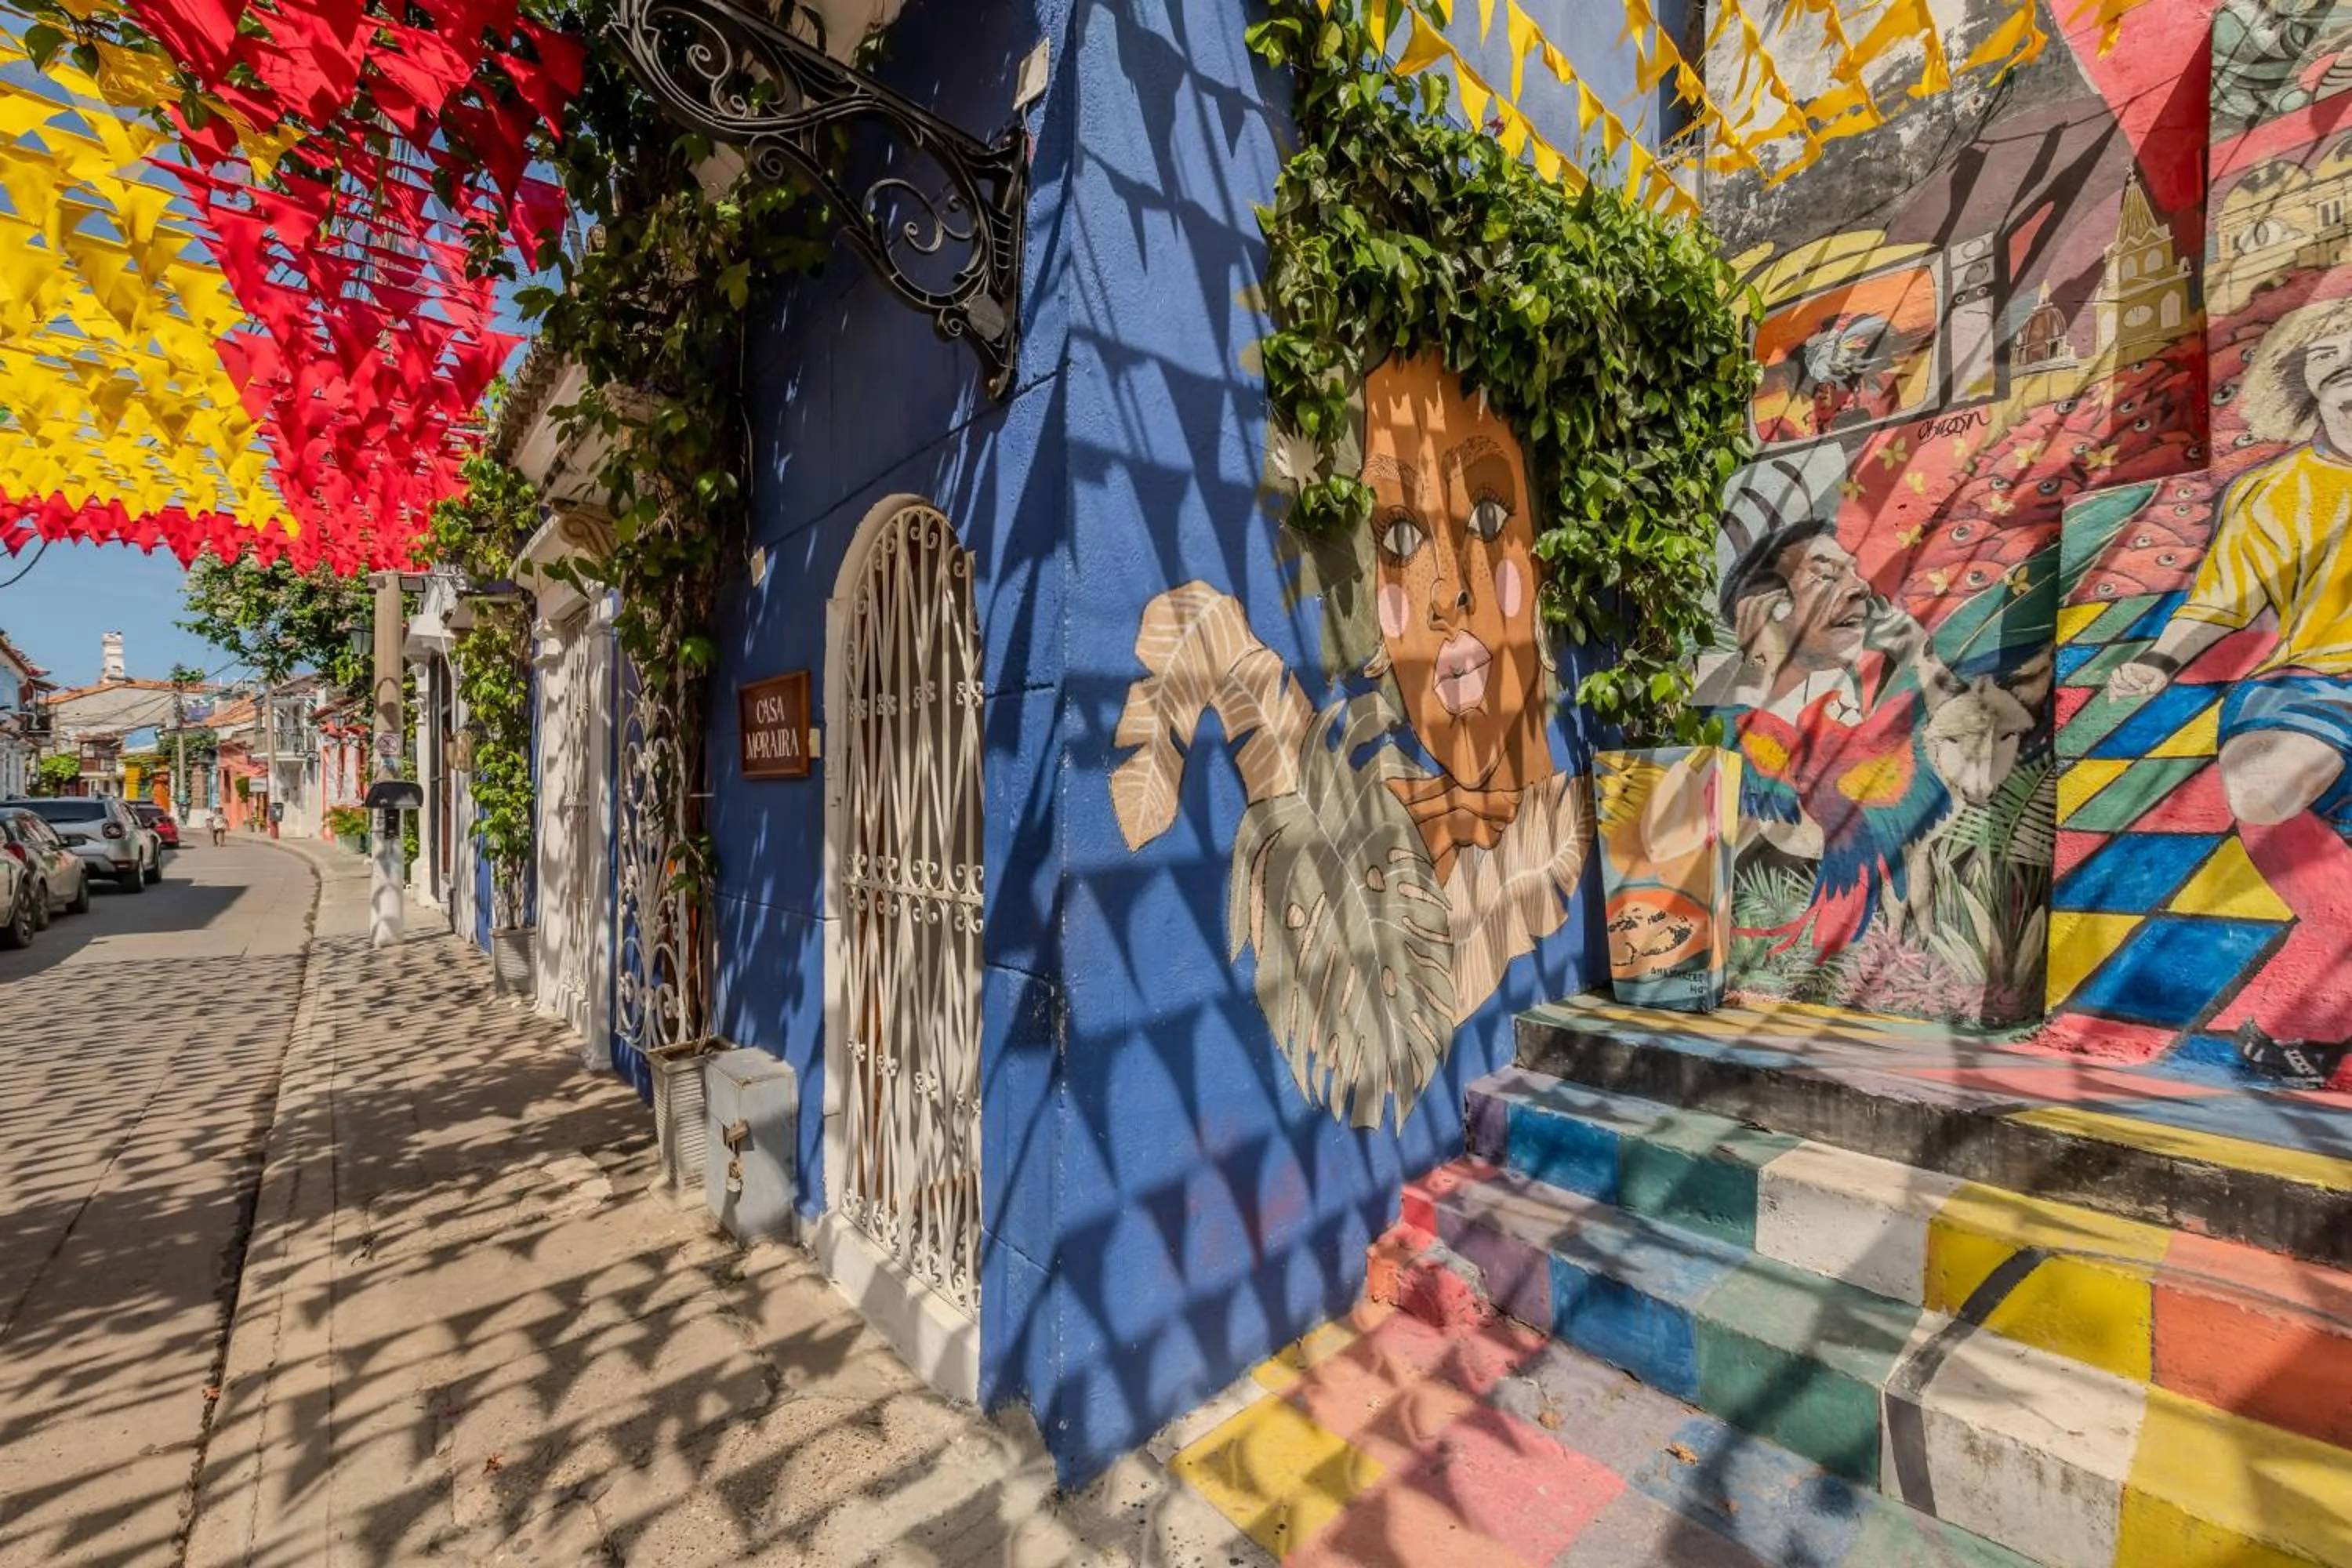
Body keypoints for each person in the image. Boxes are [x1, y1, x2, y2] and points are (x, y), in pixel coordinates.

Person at [2107, 299, 2352, 1083]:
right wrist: (2158, 660)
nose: (2345, 364)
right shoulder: (2274, 491)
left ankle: (2311, 1025)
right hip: (2310, 685)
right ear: (2304, 382)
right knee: (2262, 777)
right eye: (2327, 355)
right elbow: (2223, 597)